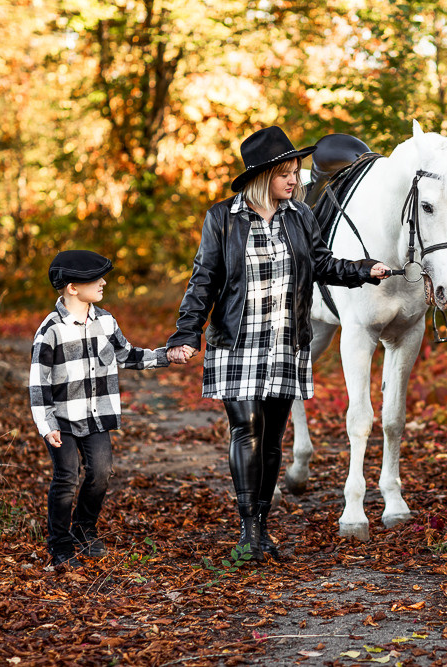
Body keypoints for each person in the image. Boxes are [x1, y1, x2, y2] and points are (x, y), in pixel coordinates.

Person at [166, 126, 390, 561]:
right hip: (237, 341)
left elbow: (322, 264)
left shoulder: (300, 215)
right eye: (285, 173)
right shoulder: (222, 218)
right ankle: (248, 530)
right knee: (246, 428)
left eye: (296, 171)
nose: (295, 179)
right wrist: (186, 333)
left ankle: (263, 527)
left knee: (272, 439)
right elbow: (204, 279)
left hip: (286, 341)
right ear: (261, 176)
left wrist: (364, 269)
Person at [29, 250, 181, 568]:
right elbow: (38, 384)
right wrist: (47, 424)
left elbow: (127, 355)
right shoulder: (51, 330)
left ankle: (84, 528)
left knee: (101, 473)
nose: (104, 283)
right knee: (66, 477)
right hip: (62, 419)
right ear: (73, 287)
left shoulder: (106, 322)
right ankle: (59, 544)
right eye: (95, 279)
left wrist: (166, 355)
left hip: (96, 415)